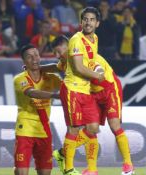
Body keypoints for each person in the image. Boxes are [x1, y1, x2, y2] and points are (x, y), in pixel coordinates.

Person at [47, 35, 135, 175]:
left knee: (115, 126)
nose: (57, 56)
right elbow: (56, 67)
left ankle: (128, 165)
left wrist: (96, 73)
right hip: (92, 94)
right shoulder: (67, 61)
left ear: (68, 47)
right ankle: (92, 169)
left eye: (58, 52)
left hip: (109, 89)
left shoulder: (84, 57)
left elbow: (98, 70)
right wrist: (39, 68)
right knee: (92, 128)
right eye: (55, 53)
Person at [56, 7, 105, 175]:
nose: (88, 22)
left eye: (91, 19)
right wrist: (97, 76)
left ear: (97, 23)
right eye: (85, 19)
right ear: (81, 22)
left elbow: (90, 62)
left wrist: (96, 69)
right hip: (72, 89)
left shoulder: (95, 38)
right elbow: (77, 67)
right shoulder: (76, 40)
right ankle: (68, 169)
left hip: (86, 91)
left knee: (93, 128)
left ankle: (88, 168)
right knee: (74, 130)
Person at [13, 44, 61, 175]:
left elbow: (66, 81)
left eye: (36, 55)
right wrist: (55, 95)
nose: (34, 59)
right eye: (29, 57)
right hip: (25, 129)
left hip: (44, 130)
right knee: (21, 172)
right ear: (24, 61)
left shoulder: (51, 78)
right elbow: (31, 92)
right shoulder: (20, 79)